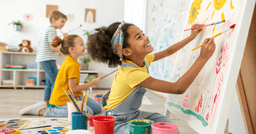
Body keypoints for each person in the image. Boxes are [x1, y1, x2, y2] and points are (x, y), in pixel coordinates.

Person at [86, 21, 215, 133]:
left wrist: (191, 37)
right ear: (126, 51)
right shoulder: (132, 74)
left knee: (170, 127)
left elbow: (168, 51)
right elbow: (177, 88)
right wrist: (203, 58)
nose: (146, 37)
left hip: (134, 115)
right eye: (139, 37)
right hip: (117, 123)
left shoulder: (143, 59)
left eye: (142, 33)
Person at [20, 35, 102, 116]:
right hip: (63, 99)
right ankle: (45, 111)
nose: (84, 47)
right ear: (72, 49)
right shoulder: (72, 65)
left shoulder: (71, 61)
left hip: (75, 96)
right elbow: (73, 89)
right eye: (81, 45)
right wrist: (92, 83)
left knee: (97, 108)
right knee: (88, 112)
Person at [36, 11, 68, 105]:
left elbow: (53, 44)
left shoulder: (46, 30)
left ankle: (47, 102)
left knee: (49, 83)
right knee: (56, 82)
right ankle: (55, 103)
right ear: (54, 20)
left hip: (44, 59)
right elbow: (52, 47)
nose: (63, 24)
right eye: (62, 21)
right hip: (48, 59)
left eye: (64, 22)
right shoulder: (52, 30)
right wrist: (63, 52)